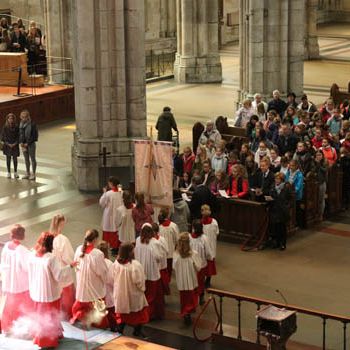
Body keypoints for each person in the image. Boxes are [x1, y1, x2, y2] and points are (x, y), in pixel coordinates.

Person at [28, 232, 75, 348]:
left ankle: (38, 336)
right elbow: (59, 275)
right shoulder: (51, 258)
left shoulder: (32, 255)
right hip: (49, 294)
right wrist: (70, 266)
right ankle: (47, 341)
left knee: (40, 317)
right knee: (50, 317)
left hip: (36, 292)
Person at [71, 229, 109, 328]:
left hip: (82, 288)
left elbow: (76, 266)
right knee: (98, 311)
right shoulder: (97, 254)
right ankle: (98, 326)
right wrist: (105, 281)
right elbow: (102, 273)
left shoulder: (79, 249)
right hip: (94, 289)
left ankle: (81, 319)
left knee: (82, 306)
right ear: (96, 239)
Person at [111, 242, 149, 337]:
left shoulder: (116, 263)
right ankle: (137, 330)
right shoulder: (135, 265)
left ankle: (120, 329)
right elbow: (139, 281)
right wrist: (143, 289)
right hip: (133, 294)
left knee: (122, 314)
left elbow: (112, 277)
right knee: (138, 315)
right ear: (130, 252)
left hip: (120, 293)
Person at [1, 224, 31, 335]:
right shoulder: (22, 250)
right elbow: (26, 267)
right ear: (22, 235)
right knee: (25, 306)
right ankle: (25, 327)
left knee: (9, 306)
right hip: (19, 284)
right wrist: (31, 253)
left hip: (9, 282)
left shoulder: (7, 246)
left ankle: (6, 327)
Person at [135, 224, 165, 320]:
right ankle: (150, 314)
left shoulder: (138, 240)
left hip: (141, 271)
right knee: (152, 295)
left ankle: (143, 313)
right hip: (152, 272)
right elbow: (159, 257)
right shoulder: (154, 242)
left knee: (144, 294)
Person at [50, 214, 75, 320]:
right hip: (64, 269)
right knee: (67, 295)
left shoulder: (49, 236)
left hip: (53, 270)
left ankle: (58, 314)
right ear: (60, 224)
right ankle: (68, 314)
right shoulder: (63, 239)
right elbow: (67, 257)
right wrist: (72, 263)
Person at [173, 232, 201, 325]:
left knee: (183, 298)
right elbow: (198, 267)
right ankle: (188, 312)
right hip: (191, 280)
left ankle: (185, 312)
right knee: (191, 297)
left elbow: (174, 267)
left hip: (182, 280)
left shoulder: (176, 255)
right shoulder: (193, 254)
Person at [189, 220, 212, 305]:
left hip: (191, 264)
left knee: (192, 281)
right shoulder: (204, 238)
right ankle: (201, 297)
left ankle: (193, 298)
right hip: (201, 265)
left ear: (193, 228)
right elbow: (208, 253)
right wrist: (209, 258)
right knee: (200, 282)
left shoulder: (189, 238)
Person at [267, 173, 292, 250]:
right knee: (275, 228)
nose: (276, 180)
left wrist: (286, 207)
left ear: (282, 180)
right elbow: (271, 196)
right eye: (275, 179)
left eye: (278, 179)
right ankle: (277, 243)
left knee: (282, 228)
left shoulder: (286, 188)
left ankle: (283, 244)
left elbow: (289, 199)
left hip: (282, 210)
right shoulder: (272, 187)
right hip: (274, 210)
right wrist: (269, 199)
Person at [99, 176, 123, 254]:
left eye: (109, 183)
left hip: (110, 215)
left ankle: (112, 247)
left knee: (110, 231)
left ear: (111, 184)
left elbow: (102, 203)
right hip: (119, 214)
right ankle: (116, 247)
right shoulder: (121, 192)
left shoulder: (108, 194)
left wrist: (104, 192)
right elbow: (120, 191)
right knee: (117, 231)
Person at [97, 241, 117, 331]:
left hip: (97, 291)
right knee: (110, 314)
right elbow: (112, 280)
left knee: (99, 313)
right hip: (108, 292)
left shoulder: (95, 261)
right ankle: (113, 328)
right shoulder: (109, 263)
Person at [201, 205, 219, 288]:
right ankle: (208, 281)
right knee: (210, 265)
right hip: (211, 246)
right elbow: (217, 233)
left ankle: (202, 280)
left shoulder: (200, 223)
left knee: (203, 265)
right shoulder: (214, 222)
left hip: (203, 247)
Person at [158, 209, 179, 281]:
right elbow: (177, 239)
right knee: (169, 270)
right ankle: (167, 282)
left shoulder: (158, 227)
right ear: (168, 215)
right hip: (170, 251)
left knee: (162, 269)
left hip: (161, 252)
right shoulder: (173, 226)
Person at [19, 110, 38, 180]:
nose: (24, 118)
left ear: (28, 117)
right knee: (26, 159)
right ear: (20, 117)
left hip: (31, 144)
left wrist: (28, 143)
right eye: (22, 117)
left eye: (25, 117)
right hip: (23, 145)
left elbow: (35, 136)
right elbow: (20, 134)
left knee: (32, 159)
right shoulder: (20, 124)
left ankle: (33, 174)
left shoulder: (32, 124)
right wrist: (21, 142)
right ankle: (27, 173)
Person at [152, 223, 170, 295]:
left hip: (161, 264)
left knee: (162, 282)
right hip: (155, 264)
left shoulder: (161, 239)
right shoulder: (152, 240)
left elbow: (167, 250)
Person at [285, 160, 304, 228]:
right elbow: (286, 182)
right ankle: (289, 222)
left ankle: (297, 223)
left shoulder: (299, 175)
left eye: (292, 166)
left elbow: (298, 187)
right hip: (289, 193)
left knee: (297, 210)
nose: (291, 167)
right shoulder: (288, 172)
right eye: (290, 165)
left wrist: (292, 192)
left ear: (296, 166)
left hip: (296, 195)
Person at [1, 113, 20, 179]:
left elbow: (18, 136)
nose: (11, 120)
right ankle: (8, 172)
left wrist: (15, 143)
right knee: (8, 159)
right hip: (7, 145)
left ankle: (15, 172)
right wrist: (8, 144)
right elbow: (3, 136)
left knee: (15, 159)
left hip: (15, 145)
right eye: (9, 118)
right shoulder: (5, 127)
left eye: (12, 118)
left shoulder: (17, 126)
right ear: (7, 119)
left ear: (14, 119)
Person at [314, 150, 328, 219]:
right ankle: (315, 214)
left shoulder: (325, 162)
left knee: (321, 199)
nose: (318, 156)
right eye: (317, 155)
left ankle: (321, 215)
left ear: (322, 156)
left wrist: (319, 164)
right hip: (315, 183)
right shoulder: (313, 162)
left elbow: (324, 171)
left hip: (322, 182)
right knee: (315, 200)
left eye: (320, 155)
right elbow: (313, 171)